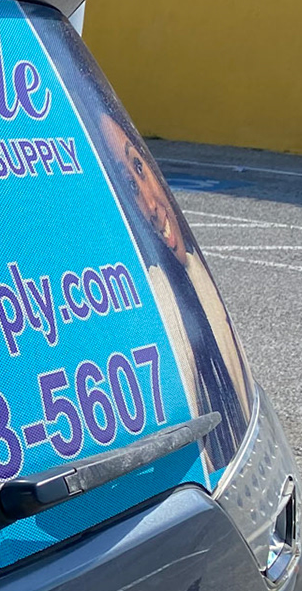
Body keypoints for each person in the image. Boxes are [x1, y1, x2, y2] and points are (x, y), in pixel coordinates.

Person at [85, 97, 251, 472]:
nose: (150, 202)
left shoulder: (200, 285)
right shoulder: (146, 305)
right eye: (129, 185)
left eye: (140, 168)